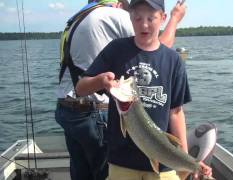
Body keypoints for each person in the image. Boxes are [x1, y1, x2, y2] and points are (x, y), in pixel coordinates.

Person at [75, 0, 212, 179]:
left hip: (164, 162)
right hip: (122, 162)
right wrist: (101, 81)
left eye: (151, 18)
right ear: (130, 17)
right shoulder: (116, 49)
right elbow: (80, 88)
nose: (144, 24)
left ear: (163, 18)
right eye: (138, 18)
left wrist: (186, 158)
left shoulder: (173, 60)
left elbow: (176, 113)